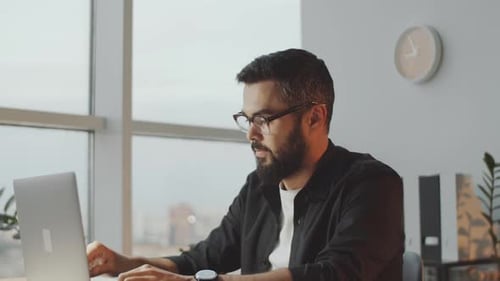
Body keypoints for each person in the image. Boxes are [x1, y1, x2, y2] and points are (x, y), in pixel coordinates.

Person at [87, 48, 404, 281]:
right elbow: (205, 257)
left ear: (315, 117)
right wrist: (124, 263)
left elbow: (333, 274)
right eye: (247, 119)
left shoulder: (372, 185)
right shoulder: (259, 188)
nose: (252, 133)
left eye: (264, 119)